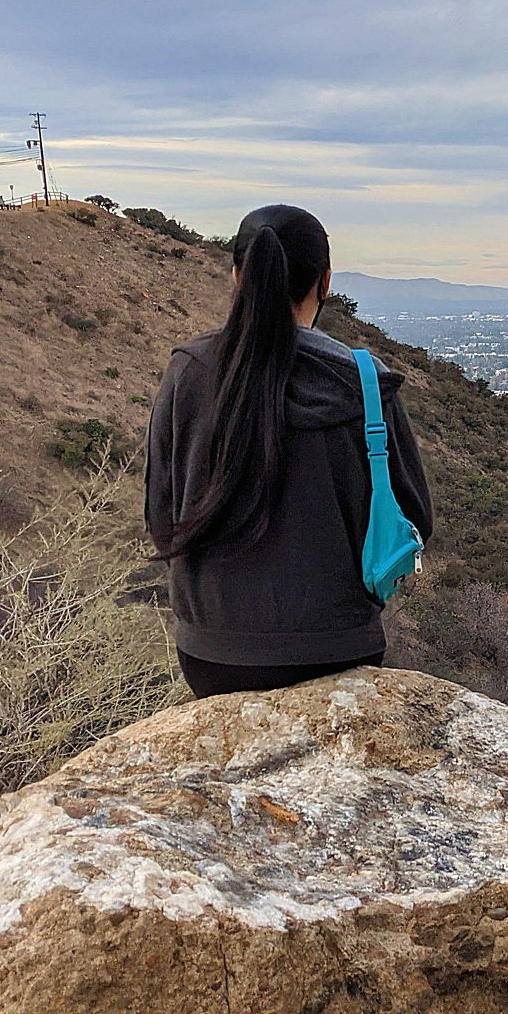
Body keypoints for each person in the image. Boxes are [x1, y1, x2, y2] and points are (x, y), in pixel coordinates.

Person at [144, 204, 432, 698]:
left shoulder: (190, 371)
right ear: (325, 283)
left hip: (215, 654)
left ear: (238, 274)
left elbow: (160, 514)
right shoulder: (362, 381)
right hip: (341, 648)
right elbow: (414, 518)